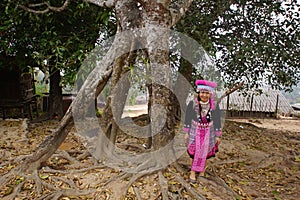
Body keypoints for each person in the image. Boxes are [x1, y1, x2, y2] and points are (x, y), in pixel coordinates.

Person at [183, 79, 222, 183]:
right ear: (198, 93)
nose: (204, 95)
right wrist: (186, 132)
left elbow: (217, 120)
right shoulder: (192, 104)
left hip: (209, 131)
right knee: (193, 151)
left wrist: (218, 135)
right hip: (195, 130)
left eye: (206, 93)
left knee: (206, 152)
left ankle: (202, 172)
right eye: (202, 92)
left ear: (210, 94)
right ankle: (192, 172)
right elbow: (187, 118)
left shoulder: (214, 106)